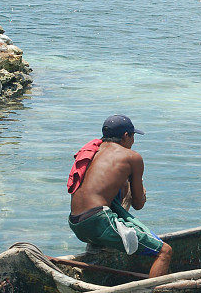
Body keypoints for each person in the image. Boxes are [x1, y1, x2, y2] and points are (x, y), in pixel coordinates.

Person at [67, 114, 172, 277]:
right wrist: (141, 194)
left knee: (120, 186)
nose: (133, 142)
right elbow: (138, 204)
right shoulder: (132, 157)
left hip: (76, 223)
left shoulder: (94, 150)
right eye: (133, 136)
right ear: (126, 136)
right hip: (97, 222)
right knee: (164, 252)